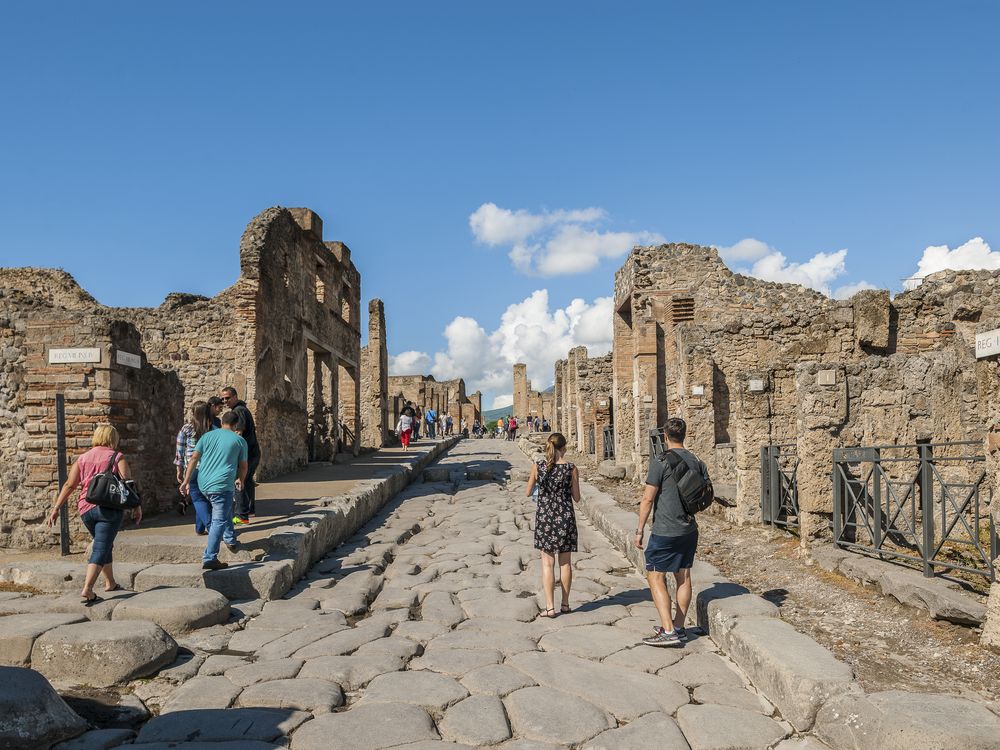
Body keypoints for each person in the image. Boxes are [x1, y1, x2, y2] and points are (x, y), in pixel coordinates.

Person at [46, 424, 142, 604]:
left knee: (105, 544)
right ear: (113, 439)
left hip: (86, 509)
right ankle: (88, 589)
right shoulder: (117, 456)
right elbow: (128, 483)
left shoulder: (83, 458)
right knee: (101, 547)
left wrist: (56, 508)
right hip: (109, 509)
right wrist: (137, 506)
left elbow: (69, 485)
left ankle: (110, 582)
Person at [634, 417, 707, 647]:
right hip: (689, 529)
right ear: (684, 435)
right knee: (683, 576)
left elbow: (647, 499)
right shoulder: (697, 460)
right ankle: (678, 626)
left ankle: (667, 631)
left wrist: (639, 530)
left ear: (665, 436)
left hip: (665, 530)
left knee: (655, 576)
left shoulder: (660, 461)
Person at [180, 410, 247, 570]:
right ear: (236, 424)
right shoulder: (239, 440)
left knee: (224, 509)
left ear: (222, 421)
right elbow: (244, 466)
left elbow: (193, 459)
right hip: (222, 484)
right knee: (218, 519)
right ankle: (210, 557)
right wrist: (241, 479)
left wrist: (186, 480)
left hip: (204, 483)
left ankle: (230, 538)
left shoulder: (206, 436)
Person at [526, 433, 580, 618]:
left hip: (545, 518)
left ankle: (550, 608)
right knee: (565, 564)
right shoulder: (571, 468)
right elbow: (577, 498)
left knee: (547, 565)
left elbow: (527, 492)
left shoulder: (538, 466)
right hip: (565, 518)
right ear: (564, 448)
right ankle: (565, 604)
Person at [175, 400, 214, 535]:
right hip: (209, 470)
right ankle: (200, 528)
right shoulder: (213, 429)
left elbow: (179, 452)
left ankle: (210, 526)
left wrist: (179, 470)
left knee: (198, 499)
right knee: (205, 499)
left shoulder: (186, 429)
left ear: (193, 413)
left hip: (192, 469)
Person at [222, 387, 258, 525]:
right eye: (223, 399)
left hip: (246, 453)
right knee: (247, 480)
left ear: (235, 397)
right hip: (251, 451)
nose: (225, 401)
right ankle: (249, 510)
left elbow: (238, 433)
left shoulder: (239, 411)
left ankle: (242, 515)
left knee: (239, 481)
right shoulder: (241, 409)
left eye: (228, 398)